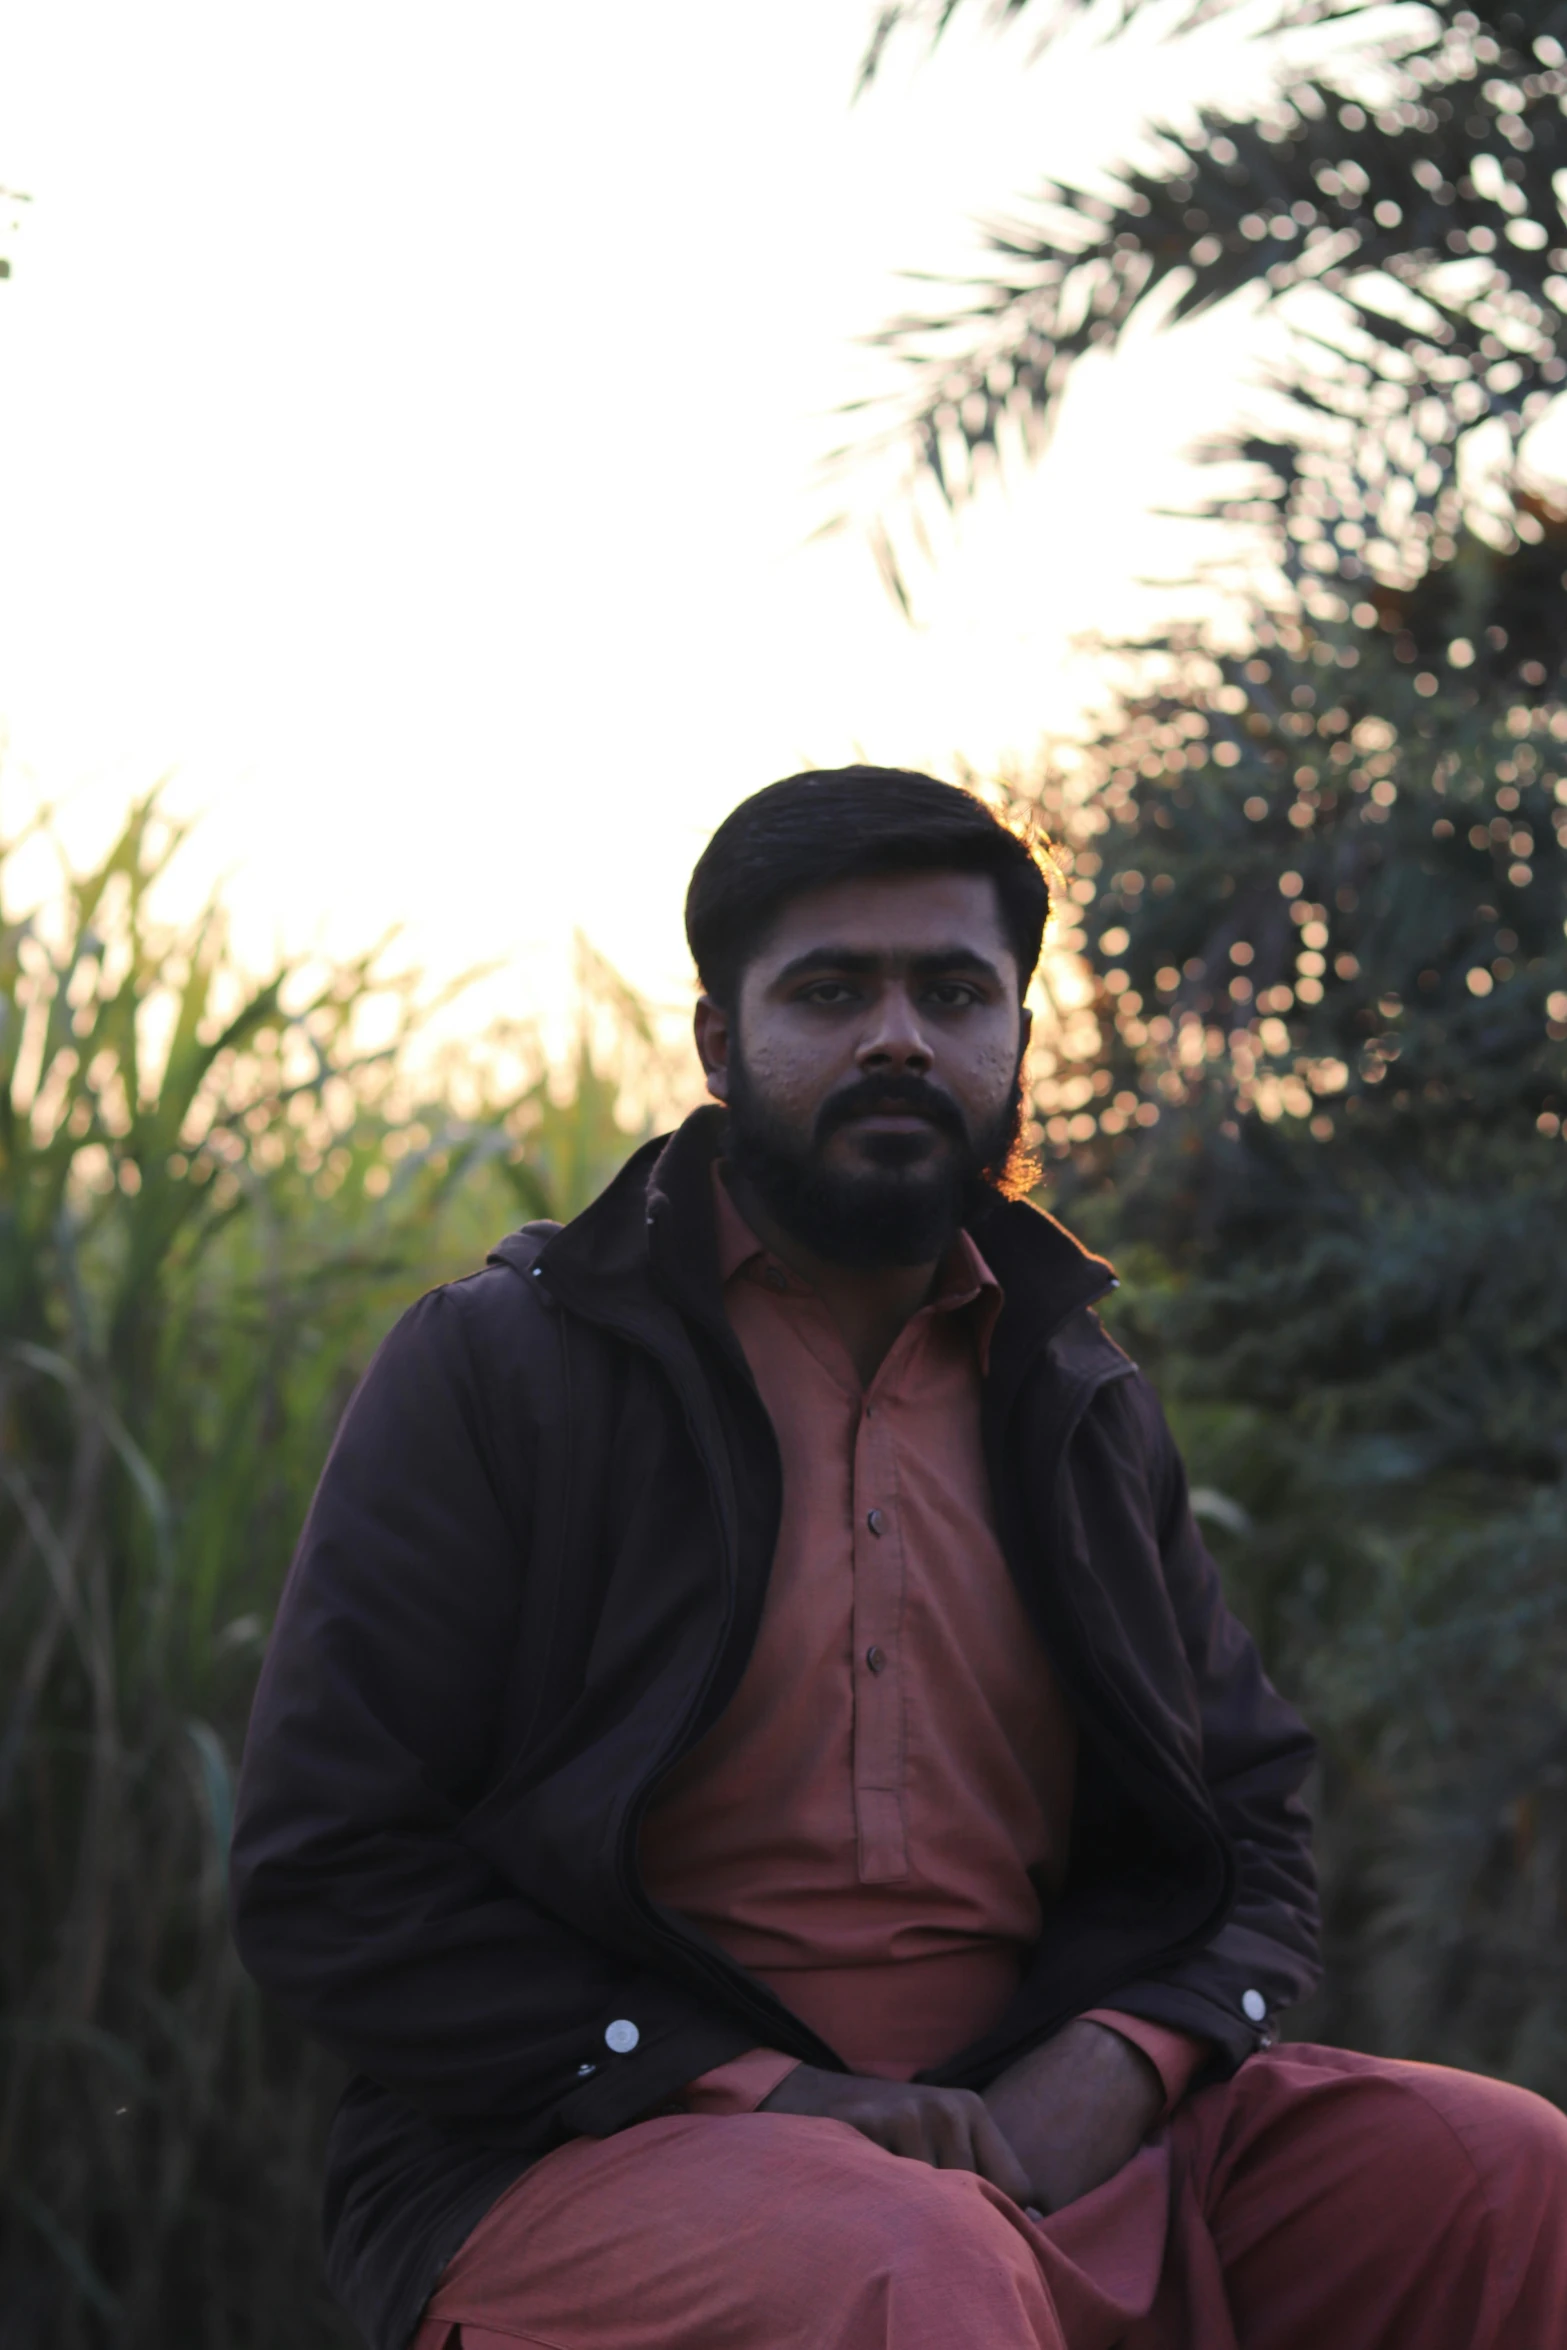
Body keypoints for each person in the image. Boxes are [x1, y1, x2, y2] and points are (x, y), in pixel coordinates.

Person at [231, 768, 1567, 2350]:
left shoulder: (1076, 1399)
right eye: (829, 989)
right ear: (721, 1042)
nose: (896, 1037)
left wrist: (1122, 2059)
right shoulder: (509, 1367)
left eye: (950, 991)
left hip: (1046, 2149)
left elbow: (1249, 1826)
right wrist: (770, 2094)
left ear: (1015, 1033)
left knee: (1502, 2175)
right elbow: (330, 1866)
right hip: (589, 2154)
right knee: (904, 2266)